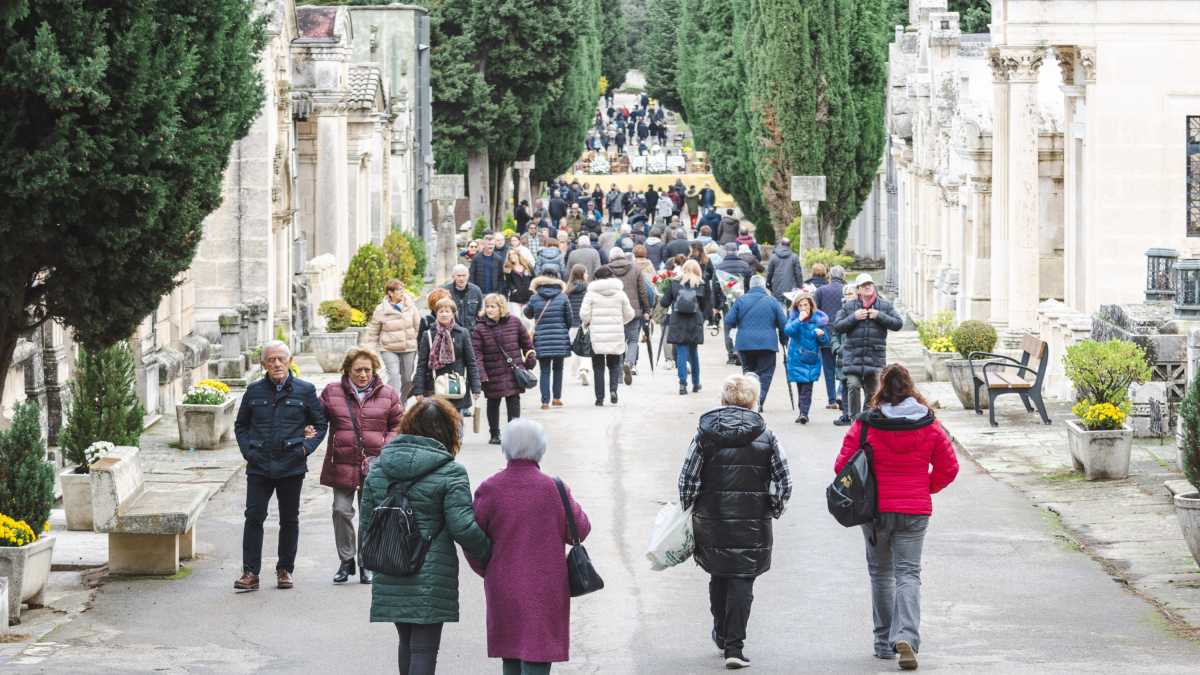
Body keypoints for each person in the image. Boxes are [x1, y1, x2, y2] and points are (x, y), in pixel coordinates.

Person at [834, 364, 959, 670]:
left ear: (881, 388)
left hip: (875, 512)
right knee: (908, 574)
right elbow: (950, 467)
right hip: (914, 511)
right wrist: (924, 487)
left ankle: (883, 644)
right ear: (910, 387)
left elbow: (843, 468)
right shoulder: (930, 425)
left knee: (880, 574)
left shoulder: (865, 426)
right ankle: (906, 637)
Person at [361, 397, 492, 675]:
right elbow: (463, 527)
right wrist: (490, 556)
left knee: (406, 642)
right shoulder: (451, 472)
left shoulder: (378, 469)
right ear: (447, 432)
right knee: (423, 648)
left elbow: (366, 521)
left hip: (390, 566)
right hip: (430, 572)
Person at [679, 373, 791, 669]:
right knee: (742, 581)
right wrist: (774, 508)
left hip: (712, 519)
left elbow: (687, 478)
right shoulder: (767, 436)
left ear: (723, 400)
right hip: (753, 522)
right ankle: (734, 647)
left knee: (718, 574)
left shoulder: (704, 434)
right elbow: (783, 481)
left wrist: (688, 507)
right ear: (754, 402)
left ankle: (721, 632)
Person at [466, 418, 590, 675]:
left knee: (510, 655)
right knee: (537, 657)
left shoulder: (489, 488)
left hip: (503, 585)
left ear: (505, 447)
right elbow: (581, 529)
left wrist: (488, 570)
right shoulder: (554, 488)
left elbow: (472, 540)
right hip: (546, 588)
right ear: (541, 448)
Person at [233, 341, 328, 590]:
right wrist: (248, 451)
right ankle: (250, 572)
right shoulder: (253, 391)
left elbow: (320, 425)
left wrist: (306, 448)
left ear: (290, 360)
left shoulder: (305, 390)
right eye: (271, 360)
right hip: (259, 465)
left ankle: (285, 570)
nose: (277, 364)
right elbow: (241, 425)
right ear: (263, 363)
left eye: (281, 359)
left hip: (291, 465)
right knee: (254, 517)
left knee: (289, 519)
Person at [317, 346, 403, 585]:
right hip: (341, 462)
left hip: (375, 465)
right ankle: (346, 561)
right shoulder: (332, 392)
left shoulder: (388, 394)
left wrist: (387, 444)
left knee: (370, 516)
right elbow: (317, 418)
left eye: (368, 369)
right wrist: (308, 428)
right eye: (358, 370)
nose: (363, 374)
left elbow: (398, 423)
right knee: (341, 511)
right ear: (347, 370)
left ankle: (366, 563)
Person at [833, 273, 904, 418]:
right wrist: (854, 317)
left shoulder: (884, 305)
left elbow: (898, 324)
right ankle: (854, 419)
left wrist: (879, 316)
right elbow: (838, 327)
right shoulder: (849, 306)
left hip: (875, 357)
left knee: (872, 392)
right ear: (858, 289)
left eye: (870, 284)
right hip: (854, 357)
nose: (867, 287)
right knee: (853, 385)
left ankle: (866, 418)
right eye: (864, 285)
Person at [473, 294, 536, 444]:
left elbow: (526, 342)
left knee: (513, 400)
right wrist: (481, 373)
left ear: (500, 307)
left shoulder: (514, 322)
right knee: (493, 402)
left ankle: (513, 435)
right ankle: (494, 434)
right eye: (487, 306)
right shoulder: (480, 327)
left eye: (492, 306)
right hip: (491, 371)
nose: (489, 310)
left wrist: (530, 358)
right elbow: (476, 354)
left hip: (513, 370)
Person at [724, 276, 789, 410]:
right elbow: (783, 324)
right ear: (764, 285)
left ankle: (749, 402)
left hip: (745, 343)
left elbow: (728, 320)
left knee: (749, 375)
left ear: (750, 286)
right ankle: (758, 402)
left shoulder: (740, 300)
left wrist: (739, 323)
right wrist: (783, 341)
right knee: (765, 374)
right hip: (767, 343)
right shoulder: (772, 301)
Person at [414, 298, 482, 421]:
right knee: (437, 422)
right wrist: (419, 390)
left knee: (456, 423)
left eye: (447, 311)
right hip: (435, 386)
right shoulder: (428, 335)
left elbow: (471, 362)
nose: (444, 314)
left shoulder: (463, 333)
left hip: (457, 384)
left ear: (453, 314)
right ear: (436, 313)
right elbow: (422, 365)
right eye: (440, 311)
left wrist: (476, 388)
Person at [579, 266, 634, 405]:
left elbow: (584, 315)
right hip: (615, 334)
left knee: (598, 367)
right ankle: (613, 391)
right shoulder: (620, 293)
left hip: (597, 336)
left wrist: (587, 324)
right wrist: (621, 322)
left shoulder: (590, 294)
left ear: (596, 278)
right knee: (614, 365)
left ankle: (599, 398)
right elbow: (630, 314)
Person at [524, 270, 574, 409]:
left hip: (542, 337)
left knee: (544, 370)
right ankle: (556, 398)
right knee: (558, 368)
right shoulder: (563, 297)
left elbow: (527, 315)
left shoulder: (535, 298)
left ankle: (545, 401)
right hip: (560, 337)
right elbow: (569, 319)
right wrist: (563, 330)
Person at [660, 259, 709, 395]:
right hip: (694, 321)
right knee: (693, 352)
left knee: (681, 351)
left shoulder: (675, 282)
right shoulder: (701, 284)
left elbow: (664, 302)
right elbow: (704, 306)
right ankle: (696, 382)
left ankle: (682, 384)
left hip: (678, 320)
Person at [367, 279, 421, 399]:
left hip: (409, 348)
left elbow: (418, 328)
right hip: (388, 348)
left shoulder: (411, 306)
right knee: (394, 376)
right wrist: (372, 352)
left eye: (403, 288)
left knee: (407, 379)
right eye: (398, 289)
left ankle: (402, 405)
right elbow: (373, 333)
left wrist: (420, 349)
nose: (402, 292)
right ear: (390, 293)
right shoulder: (380, 309)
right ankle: (392, 406)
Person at [783, 292, 830, 424]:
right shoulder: (794, 319)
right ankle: (802, 411)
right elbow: (789, 332)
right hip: (796, 357)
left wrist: (821, 336)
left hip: (811, 357)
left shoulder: (818, 320)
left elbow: (824, 341)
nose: (803, 308)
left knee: (807, 387)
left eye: (806, 305)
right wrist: (799, 320)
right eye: (800, 305)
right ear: (797, 307)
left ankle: (804, 413)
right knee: (800, 385)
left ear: (811, 306)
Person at [606, 248, 651, 380]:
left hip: (614, 311)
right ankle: (629, 363)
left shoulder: (607, 270)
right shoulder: (635, 268)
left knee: (618, 341)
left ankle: (619, 374)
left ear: (611, 257)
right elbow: (642, 291)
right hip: (633, 310)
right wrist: (646, 310)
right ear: (623, 256)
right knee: (632, 340)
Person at [814, 265, 847, 409]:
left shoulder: (821, 291)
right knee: (844, 365)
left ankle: (832, 400)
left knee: (828, 368)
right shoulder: (848, 291)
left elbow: (815, 312)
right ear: (843, 277)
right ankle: (841, 393)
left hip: (826, 334)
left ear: (829, 276)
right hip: (844, 334)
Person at [831, 282, 857, 426]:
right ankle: (846, 415)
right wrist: (837, 348)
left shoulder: (862, 312)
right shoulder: (840, 313)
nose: (847, 296)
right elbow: (835, 334)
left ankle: (857, 416)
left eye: (850, 293)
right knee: (845, 385)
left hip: (858, 354)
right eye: (846, 294)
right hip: (844, 354)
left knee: (857, 385)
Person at [564, 265, 591, 386]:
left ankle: (576, 375)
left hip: (572, 323)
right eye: (585, 273)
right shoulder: (587, 288)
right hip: (584, 322)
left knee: (575, 348)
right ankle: (584, 369)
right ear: (581, 274)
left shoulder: (568, 289)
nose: (587, 275)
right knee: (586, 346)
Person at [442, 265, 484, 335]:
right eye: (459, 276)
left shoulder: (476, 290)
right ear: (453, 277)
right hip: (451, 333)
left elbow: (481, 313)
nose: (462, 279)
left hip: (472, 333)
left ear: (468, 276)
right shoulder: (445, 291)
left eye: (464, 276)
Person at [765, 239, 803, 308]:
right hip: (791, 287)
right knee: (791, 309)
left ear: (780, 244)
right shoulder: (794, 256)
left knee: (778, 309)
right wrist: (800, 286)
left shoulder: (773, 257)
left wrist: (768, 284)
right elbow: (798, 273)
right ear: (789, 245)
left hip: (777, 286)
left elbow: (769, 272)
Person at [503, 248, 535, 326]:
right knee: (515, 320)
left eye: (513, 254)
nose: (512, 256)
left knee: (528, 320)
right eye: (510, 255)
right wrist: (514, 290)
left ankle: (526, 335)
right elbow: (508, 281)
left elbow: (534, 278)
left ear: (518, 255)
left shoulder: (527, 265)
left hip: (528, 296)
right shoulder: (507, 267)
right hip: (515, 298)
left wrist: (531, 289)